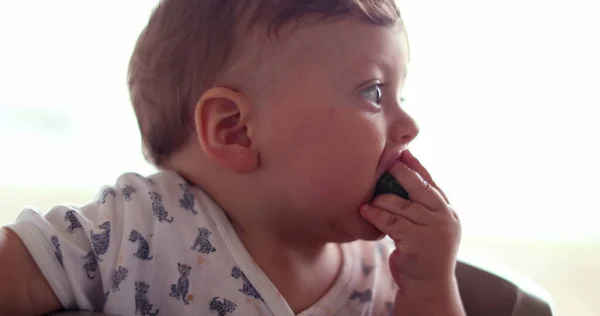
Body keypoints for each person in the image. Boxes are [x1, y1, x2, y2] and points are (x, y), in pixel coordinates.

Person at [0, 0, 464, 315]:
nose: (409, 125)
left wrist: (432, 282)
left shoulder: (384, 267)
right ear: (235, 130)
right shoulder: (140, 227)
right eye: (374, 92)